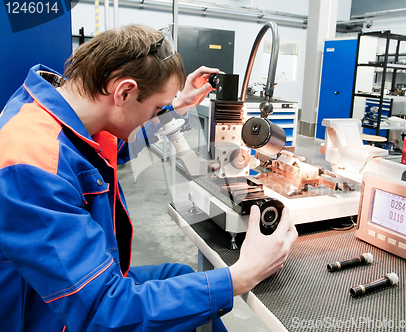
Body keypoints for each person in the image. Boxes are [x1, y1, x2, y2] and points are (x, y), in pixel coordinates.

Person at [0, 24, 298, 332]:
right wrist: (244, 275)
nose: (159, 114)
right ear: (124, 91)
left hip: (80, 286)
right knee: (213, 287)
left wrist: (178, 104)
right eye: (157, 108)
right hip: (52, 317)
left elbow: (116, 146)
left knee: (180, 274)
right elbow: (104, 312)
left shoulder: (64, 114)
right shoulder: (32, 163)